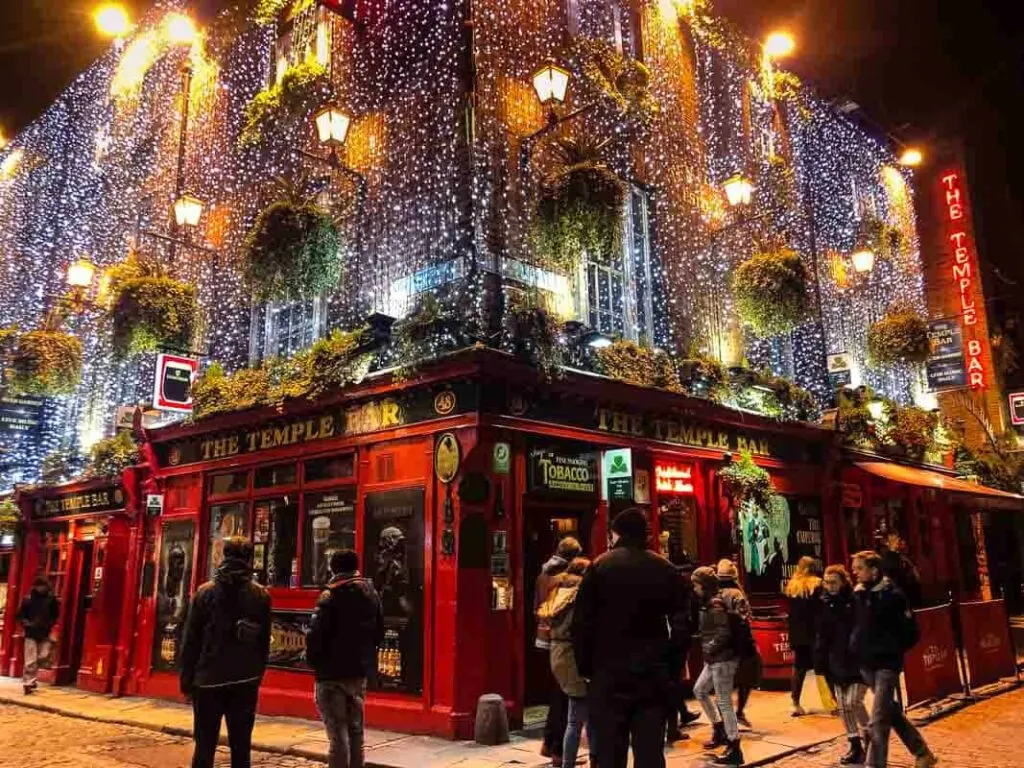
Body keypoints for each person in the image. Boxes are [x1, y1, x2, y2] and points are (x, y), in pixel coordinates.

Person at [572, 509, 689, 768]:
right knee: (649, 753)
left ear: (616, 533)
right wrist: (672, 667)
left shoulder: (599, 567)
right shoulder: (665, 569)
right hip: (652, 674)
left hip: (608, 675)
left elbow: (581, 625)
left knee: (609, 755)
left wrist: (586, 668)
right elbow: (683, 626)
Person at [180, 537, 272, 768]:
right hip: (245, 679)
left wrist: (187, 681)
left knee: (204, 746)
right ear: (249, 559)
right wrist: (257, 674)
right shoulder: (260, 595)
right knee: (241, 747)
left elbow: (191, 641)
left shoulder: (204, 593)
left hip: (208, 680)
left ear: (224, 556)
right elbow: (264, 643)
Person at [850, 550, 937, 768]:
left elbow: (911, 632)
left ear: (874, 570)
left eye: (859, 568)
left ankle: (875, 764)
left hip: (887, 664)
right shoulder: (859, 594)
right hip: (867, 664)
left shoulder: (893, 595)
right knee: (890, 711)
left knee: (879, 718)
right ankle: (922, 752)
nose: (855, 572)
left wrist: (892, 649)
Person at [306, 549, 384, 768]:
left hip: (331, 673)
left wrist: (314, 662)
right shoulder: (372, 593)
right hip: (359, 672)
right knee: (356, 731)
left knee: (338, 733)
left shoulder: (330, 595)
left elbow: (316, 636)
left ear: (333, 568)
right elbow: (379, 632)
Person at [537, 557, 592, 768]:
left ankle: (552, 746)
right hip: (570, 654)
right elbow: (579, 629)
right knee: (574, 711)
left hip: (556, 652)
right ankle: (563, 755)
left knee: (560, 700)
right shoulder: (576, 596)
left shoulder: (559, 591)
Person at [691, 566, 749, 766]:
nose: (694, 588)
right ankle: (719, 728)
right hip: (714, 658)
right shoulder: (707, 602)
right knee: (699, 690)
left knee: (724, 701)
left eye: (696, 584)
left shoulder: (715, 604)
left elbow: (723, 632)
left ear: (704, 585)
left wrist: (709, 646)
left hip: (722, 659)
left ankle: (734, 746)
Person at [815, 565, 868, 765]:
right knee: (844, 707)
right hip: (835, 662)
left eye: (834, 582)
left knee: (852, 702)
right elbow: (821, 637)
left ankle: (869, 734)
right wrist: (820, 663)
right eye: (827, 583)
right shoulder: (823, 603)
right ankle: (855, 744)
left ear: (843, 581)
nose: (830, 586)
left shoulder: (854, 601)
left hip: (855, 661)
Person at [715, 559, 759, 729]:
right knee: (746, 678)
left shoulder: (714, 593)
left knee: (723, 683)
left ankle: (724, 720)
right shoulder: (736, 594)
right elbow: (745, 617)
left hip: (721, 643)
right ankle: (738, 712)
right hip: (740, 643)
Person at [665, 554, 701, 744]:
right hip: (676, 641)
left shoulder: (663, 588)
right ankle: (672, 728)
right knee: (673, 683)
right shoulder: (685, 589)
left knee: (672, 683)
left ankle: (680, 717)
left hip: (666, 641)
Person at [784, 556, 824, 716]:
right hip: (814, 632)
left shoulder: (792, 586)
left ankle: (795, 702)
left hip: (798, 633)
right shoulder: (817, 584)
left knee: (799, 668)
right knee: (823, 667)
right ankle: (833, 702)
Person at [17, 576, 59, 695]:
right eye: (39, 586)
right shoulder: (28, 599)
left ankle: (32, 679)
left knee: (43, 656)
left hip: (45, 632)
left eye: (43, 586)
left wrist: (49, 624)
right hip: (30, 632)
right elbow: (20, 615)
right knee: (31, 659)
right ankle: (28, 682)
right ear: (35, 587)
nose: (41, 589)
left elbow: (55, 614)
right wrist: (26, 624)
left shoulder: (51, 599)